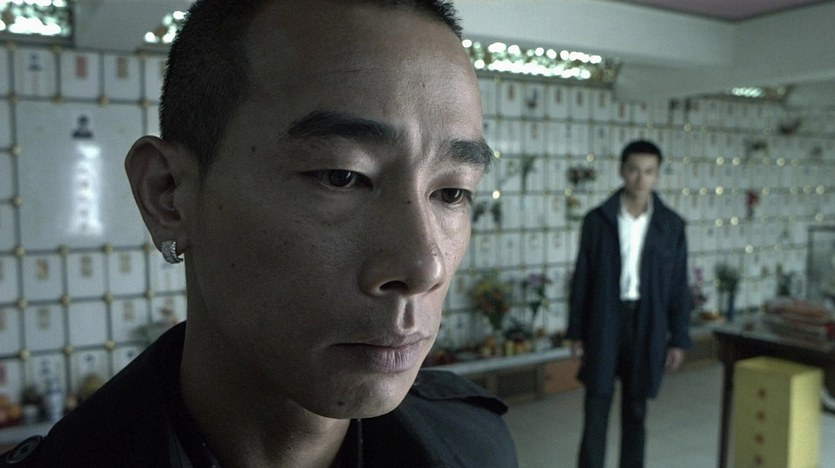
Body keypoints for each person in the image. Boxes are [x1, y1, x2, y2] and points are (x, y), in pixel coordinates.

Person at [0, 1, 518, 466]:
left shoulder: (477, 445)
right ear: (168, 193)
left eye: (453, 192)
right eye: (341, 176)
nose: (424, 266)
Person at [567, 140, 692, 468]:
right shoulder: (597, 221)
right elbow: (582, 279)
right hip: (605, 319)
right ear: (622, 171)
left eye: (649, 171)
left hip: (647, 323)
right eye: (634, 170)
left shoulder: (671, 226)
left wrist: (678, 338)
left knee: (636, 410)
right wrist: (576, 333)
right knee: (596, 406)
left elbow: (679, 286)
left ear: (657, 175)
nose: (640, 178)